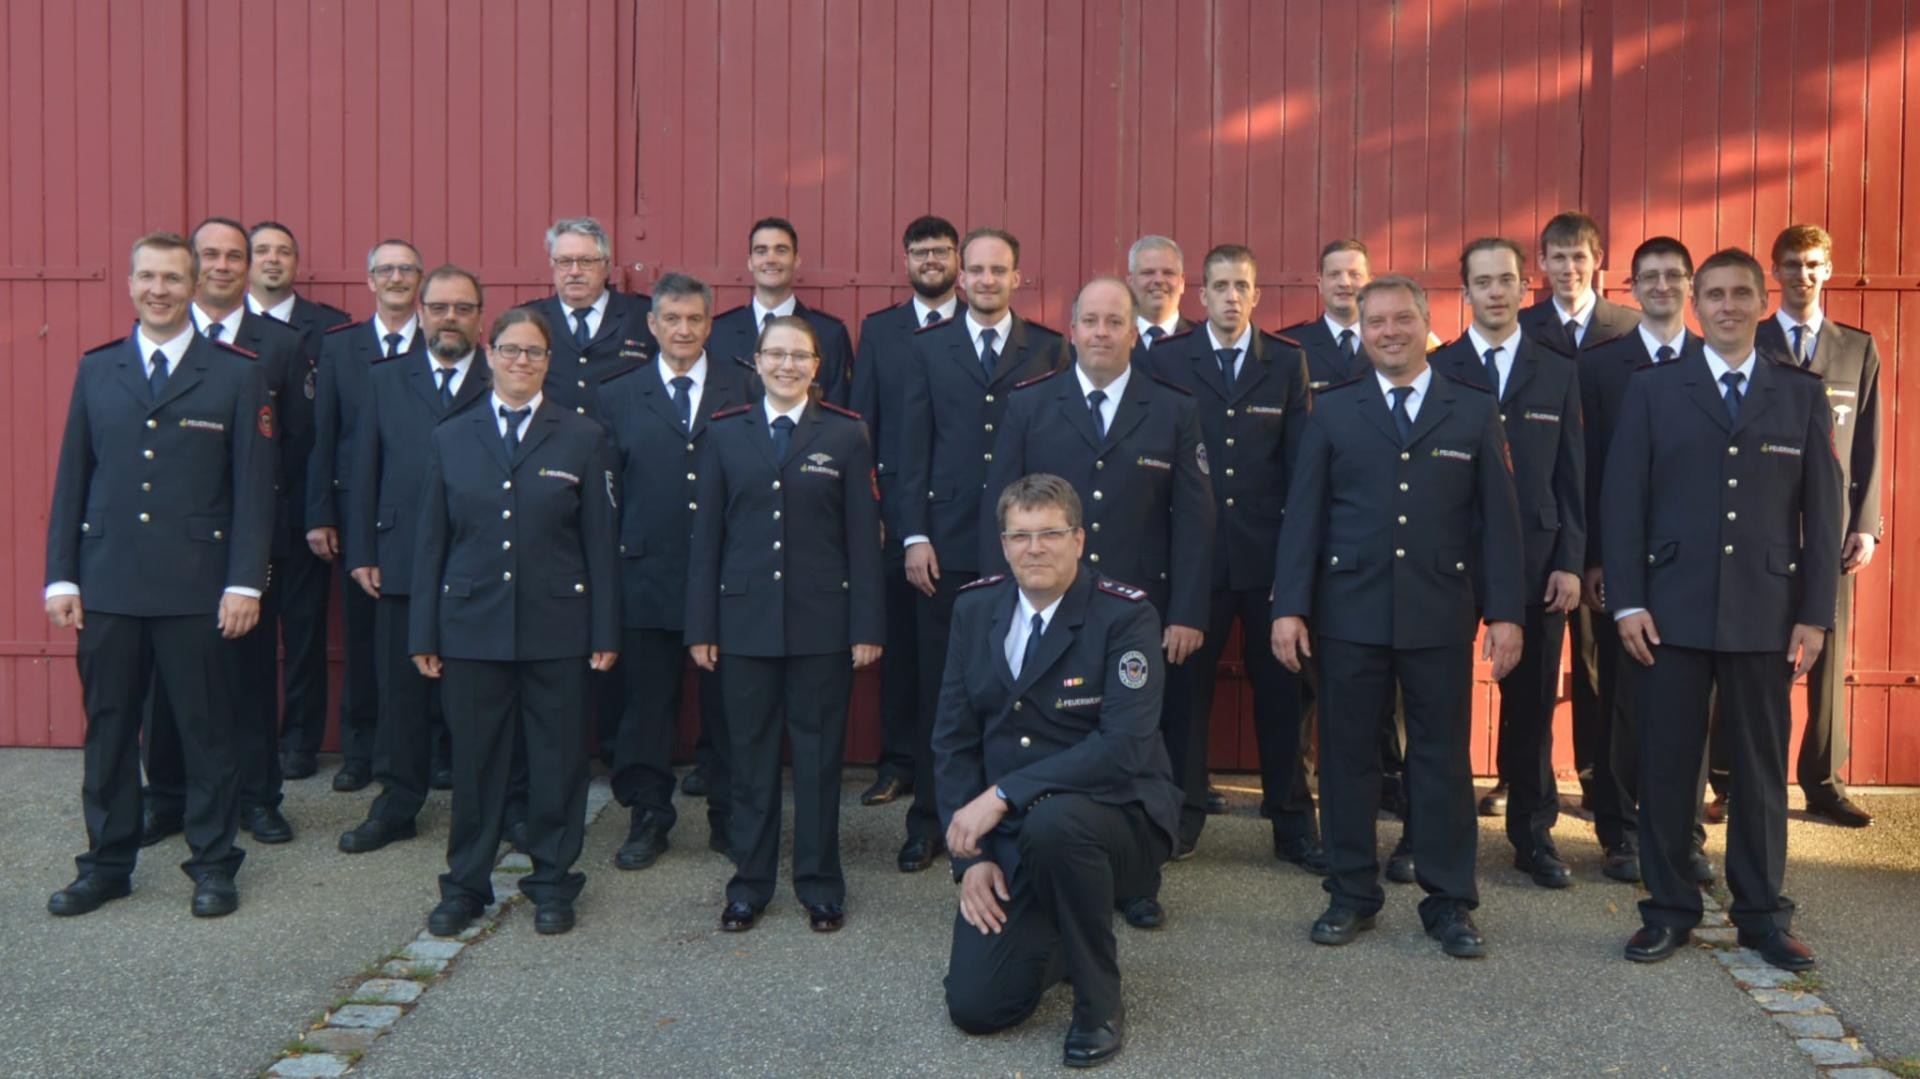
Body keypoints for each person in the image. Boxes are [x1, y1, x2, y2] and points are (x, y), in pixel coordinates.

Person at [1270, 274, 1525, 959]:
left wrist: (1505, 612)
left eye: (1400, 320)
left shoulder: (1471, 409)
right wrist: (1289, 605)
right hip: (1347, 611)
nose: (1387, 331)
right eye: (1375, 321)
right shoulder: (1336, 410)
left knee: (1440, 763)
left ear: (1425, 323)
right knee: (1349, 758)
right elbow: (1305, 517)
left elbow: (1498, 522)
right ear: (1363, 329)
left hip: (1440, 612)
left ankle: (1449, 902)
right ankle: (1351, 893)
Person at [1604, 248, 1842, 971]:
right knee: (1669, 767)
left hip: (1766, 613)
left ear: (1761, 300)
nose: (1729, 305)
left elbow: (1823, 512)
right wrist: (1628, 601)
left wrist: (1815, 612)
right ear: (1697, 305)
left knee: (1761, 772)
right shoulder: (1654, 390)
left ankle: (1764, 916)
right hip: (1669, 609)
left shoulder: (1798, 393)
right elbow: (1623, 503)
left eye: (1742, 293)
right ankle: (1668, 909)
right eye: (1715, 294)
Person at [44, 231, 275, 919]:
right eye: (147, 276)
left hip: (197, 586)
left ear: (195, 282)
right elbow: (72, 481)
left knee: (206, 730)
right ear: (129, 282)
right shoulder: (98, 369)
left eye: (173, 277)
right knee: (109, 730)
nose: (159, 290)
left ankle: (212, 863)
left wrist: (245, 582)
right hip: (109, 581)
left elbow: (254, 490)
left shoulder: (234, 373)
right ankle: (106, 863)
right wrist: (61, 576)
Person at [980, 276, 1210, 928]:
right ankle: (1039, 856)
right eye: (1091, 321)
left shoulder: (1172, 407)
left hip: (1139, 611)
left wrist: (1188, 609)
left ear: (1135, 331)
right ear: (1071, 329)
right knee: (1058, 730)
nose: (1103, 332)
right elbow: (999, 505)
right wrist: (1002, 604)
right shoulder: (1031, 404)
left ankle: (1136, 877)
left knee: (1137, 743)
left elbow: (1195, 521)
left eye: (1115, 321)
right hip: (1049, 604)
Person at [937, 473, 1180, 1070]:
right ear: (1003, 544)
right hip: (1018, 834)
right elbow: (953, 740)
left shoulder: (1125, 616)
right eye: (1020, 536)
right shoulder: (975, 608)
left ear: (1079, 538)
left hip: (1115, 817)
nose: (1035, 548)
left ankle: (1099, 1002)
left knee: (1057, 824)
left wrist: (1003, 793)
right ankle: (1064, 944)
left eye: (1049, 533)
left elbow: (1124, 746)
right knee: (977, 1007)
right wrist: (972, 859)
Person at [411, 307, 619, 938]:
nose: (521, 361)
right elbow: (431, 544)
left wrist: (604, 630)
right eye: (510, 350)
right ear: (489, 353)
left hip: (558, 627)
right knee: (477, 764)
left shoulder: (582, 436)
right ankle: (465, 885)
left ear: (548, 362)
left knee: (558, 763)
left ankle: (553, 881)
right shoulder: (453, 435)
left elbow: (601, 545)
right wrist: (424, 631)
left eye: (534, 352)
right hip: (472, 627)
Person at [685, 315, 884, 933]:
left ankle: (821, 883)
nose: (787, 365)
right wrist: (701, 626)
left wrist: (866, 625)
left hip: (822, 624)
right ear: (757, 361)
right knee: (749, 759)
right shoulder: (723, 433)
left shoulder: (847, 435)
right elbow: (707, 538)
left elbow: (862, 539)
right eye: (776, 354)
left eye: (800, 356)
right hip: (743, 624)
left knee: (821, 759)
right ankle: (749, 882)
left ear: (817, 366)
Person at [895, 227, 1070, 874]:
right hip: (946, 548)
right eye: (977, 270)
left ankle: (1019, 813)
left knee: (1022, 690)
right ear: (961, 278)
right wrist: (914, 534)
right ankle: (931, 820)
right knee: (944, 692)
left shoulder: (1049, 348)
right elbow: (911, 450)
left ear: (1017, 277)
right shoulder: (927, 349)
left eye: (1000, 269)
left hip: (1028, 553)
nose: (987, 279)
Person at [1144, 244, 1324, 872]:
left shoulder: (1286, 361)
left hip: (1268, 559)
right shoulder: (1167, 359)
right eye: (1217, 285)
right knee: (1184, 694)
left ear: (1256, 295)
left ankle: (1293, 823)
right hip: (1192, 560)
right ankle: (1182, 816)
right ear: (1201, 296)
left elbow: (1301, 473)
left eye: (1239, 285)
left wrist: (1297, 573)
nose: (1228, 296)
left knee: (1283, 691)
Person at [141, 217, 305, 848]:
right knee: (165, 680)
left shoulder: (281, 346)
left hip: (249, 542)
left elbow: (294, 447)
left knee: (250, 674)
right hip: (171, 548)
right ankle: (168, 797)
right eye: (210, 255)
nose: (223, 266)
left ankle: (258, 796)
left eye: (235, 256)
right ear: (192, 266)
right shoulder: (164, 343)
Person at [1428, 238, 1585, 888]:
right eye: (1482, 281)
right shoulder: (1440, 366)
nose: (1495, 292)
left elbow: (1575, 477)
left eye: (1506, 281)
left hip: (1536, 560)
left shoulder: (1558, 370)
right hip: (1449, 560)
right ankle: (1428, 830)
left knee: (1530, 707)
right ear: (1464, 291)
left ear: (1527, 287)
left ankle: (1532, 833)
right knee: (1435, 706)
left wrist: (1572, 560)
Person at [598, 273, 753, 869]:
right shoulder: (618, 393)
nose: (683, 330)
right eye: (672, 319)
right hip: (646, 574)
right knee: (645, 706)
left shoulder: (743, 383)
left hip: (724, 575)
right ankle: (648, 815)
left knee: (730, 703)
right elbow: (607, 493)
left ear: (709, 324)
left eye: (695, 319)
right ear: (653, 324)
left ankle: (728, 814)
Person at [339, 266, 494, 855]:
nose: (449, 317)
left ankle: (495, 806)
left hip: (479, 560)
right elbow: (364, 469)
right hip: (402, 557)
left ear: (480, 317)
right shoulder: (385, 379)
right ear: (421, 314)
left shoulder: (500, 373)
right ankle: (398, 802)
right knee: (400, 691)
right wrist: (363, 550)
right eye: (439, 307)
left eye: (462, 307)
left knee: (480, 693)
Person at [1577, 235, 1703, 882]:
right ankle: (1619, 831)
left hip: (1697, 562)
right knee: (1622, 696)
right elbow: (1589, 467)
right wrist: (1596, 558)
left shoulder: (1716, 360)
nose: (1661, 285)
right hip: (1623, 556)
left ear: (1689, 284)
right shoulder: (1601, 367)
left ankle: (1687, 834)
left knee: (1691, 695)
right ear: (1631, 285)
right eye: (1649, 276)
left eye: (1673, 275)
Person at [1753, 224, 1882, 829]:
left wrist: (1868, 525)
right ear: (1773, 272)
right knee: (1749, 654)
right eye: (1790, 264)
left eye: (1812, 264)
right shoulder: (1746, 342)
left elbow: (1871, 447)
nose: (1801, 275)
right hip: (1760, 527)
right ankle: (1733, 779)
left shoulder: (1857, 349)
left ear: (1827, 271)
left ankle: (1823, 781)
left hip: (1832, 533)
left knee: (1826, 658)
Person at [1515, 211, 1639, 822]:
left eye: (1579, 257)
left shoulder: (1630, 330)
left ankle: (1602, 789)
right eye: (1557, 257)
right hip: (1541, 529)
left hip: (1606, 528)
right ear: (1541, 264)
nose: (1568, 268)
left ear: (1598, 263)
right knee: (1531, 675)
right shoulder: (1520, 326)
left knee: (1598, 672)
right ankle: (1523, 785)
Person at [848, 214, 962, 821]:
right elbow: (861, 426)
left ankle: (946, 770)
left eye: (941, 251)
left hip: (961, 515)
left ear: (958, 261)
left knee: (949, 653)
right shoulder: (881, 330)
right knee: (900, 645)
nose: (930, 260)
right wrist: (875, 511)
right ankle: (896, 764)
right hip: (897, 515)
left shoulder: (976, 328)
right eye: (920, 252)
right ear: (906, 260)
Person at [306, 239, 429, 794]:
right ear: (370, 281)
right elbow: (323, 436)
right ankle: (361, 749)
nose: (396, 277)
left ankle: (435, 748)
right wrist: (321, 515)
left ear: (420, 279)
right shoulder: (341, 348)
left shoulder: (443, 343)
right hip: (361, 515)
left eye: (406, 269)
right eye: (386, 269)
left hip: (428, 515)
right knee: (362, 640)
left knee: (432, 637)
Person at [245, 221, 351, 784]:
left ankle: (300, 742)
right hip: (242, 514)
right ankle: (251, 738)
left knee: (305, 633)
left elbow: (330, 428)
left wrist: (321, 511)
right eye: (261, 250)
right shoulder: (213, 328)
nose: (272, 260)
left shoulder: (329, 328)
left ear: (296, 263)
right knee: (246, 636)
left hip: (303, 506)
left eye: (283, 251)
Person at [707, 217, 855, 405]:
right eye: (761, 251)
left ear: (796, 260)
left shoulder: (830, 334)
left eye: (781, 250)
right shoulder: (719, 332)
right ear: (750, 262)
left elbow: (838, 408)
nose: (771, 259)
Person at [525, 216, 657, 422]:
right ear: (552, 265)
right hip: (550, 447)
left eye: (586, 261)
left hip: (620, 449)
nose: (574, 271)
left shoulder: (643, 316)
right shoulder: (528, 320)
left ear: (606, 266)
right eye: (565, 261)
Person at [1278, 239, 1373, 390]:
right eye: (1334, 274)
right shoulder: (1289, 347)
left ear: (1370, 284)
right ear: (1320, 284)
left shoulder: (1387, 342)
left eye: (1355, 274)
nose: (1345, 283)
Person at [1127, 235, 1196, 364]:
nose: (1159, 280)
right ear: (1131, 282)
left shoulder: (1203, 340)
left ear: (1181, 282)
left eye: (1168, 273)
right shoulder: (1115, 339)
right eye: (1148, 272)